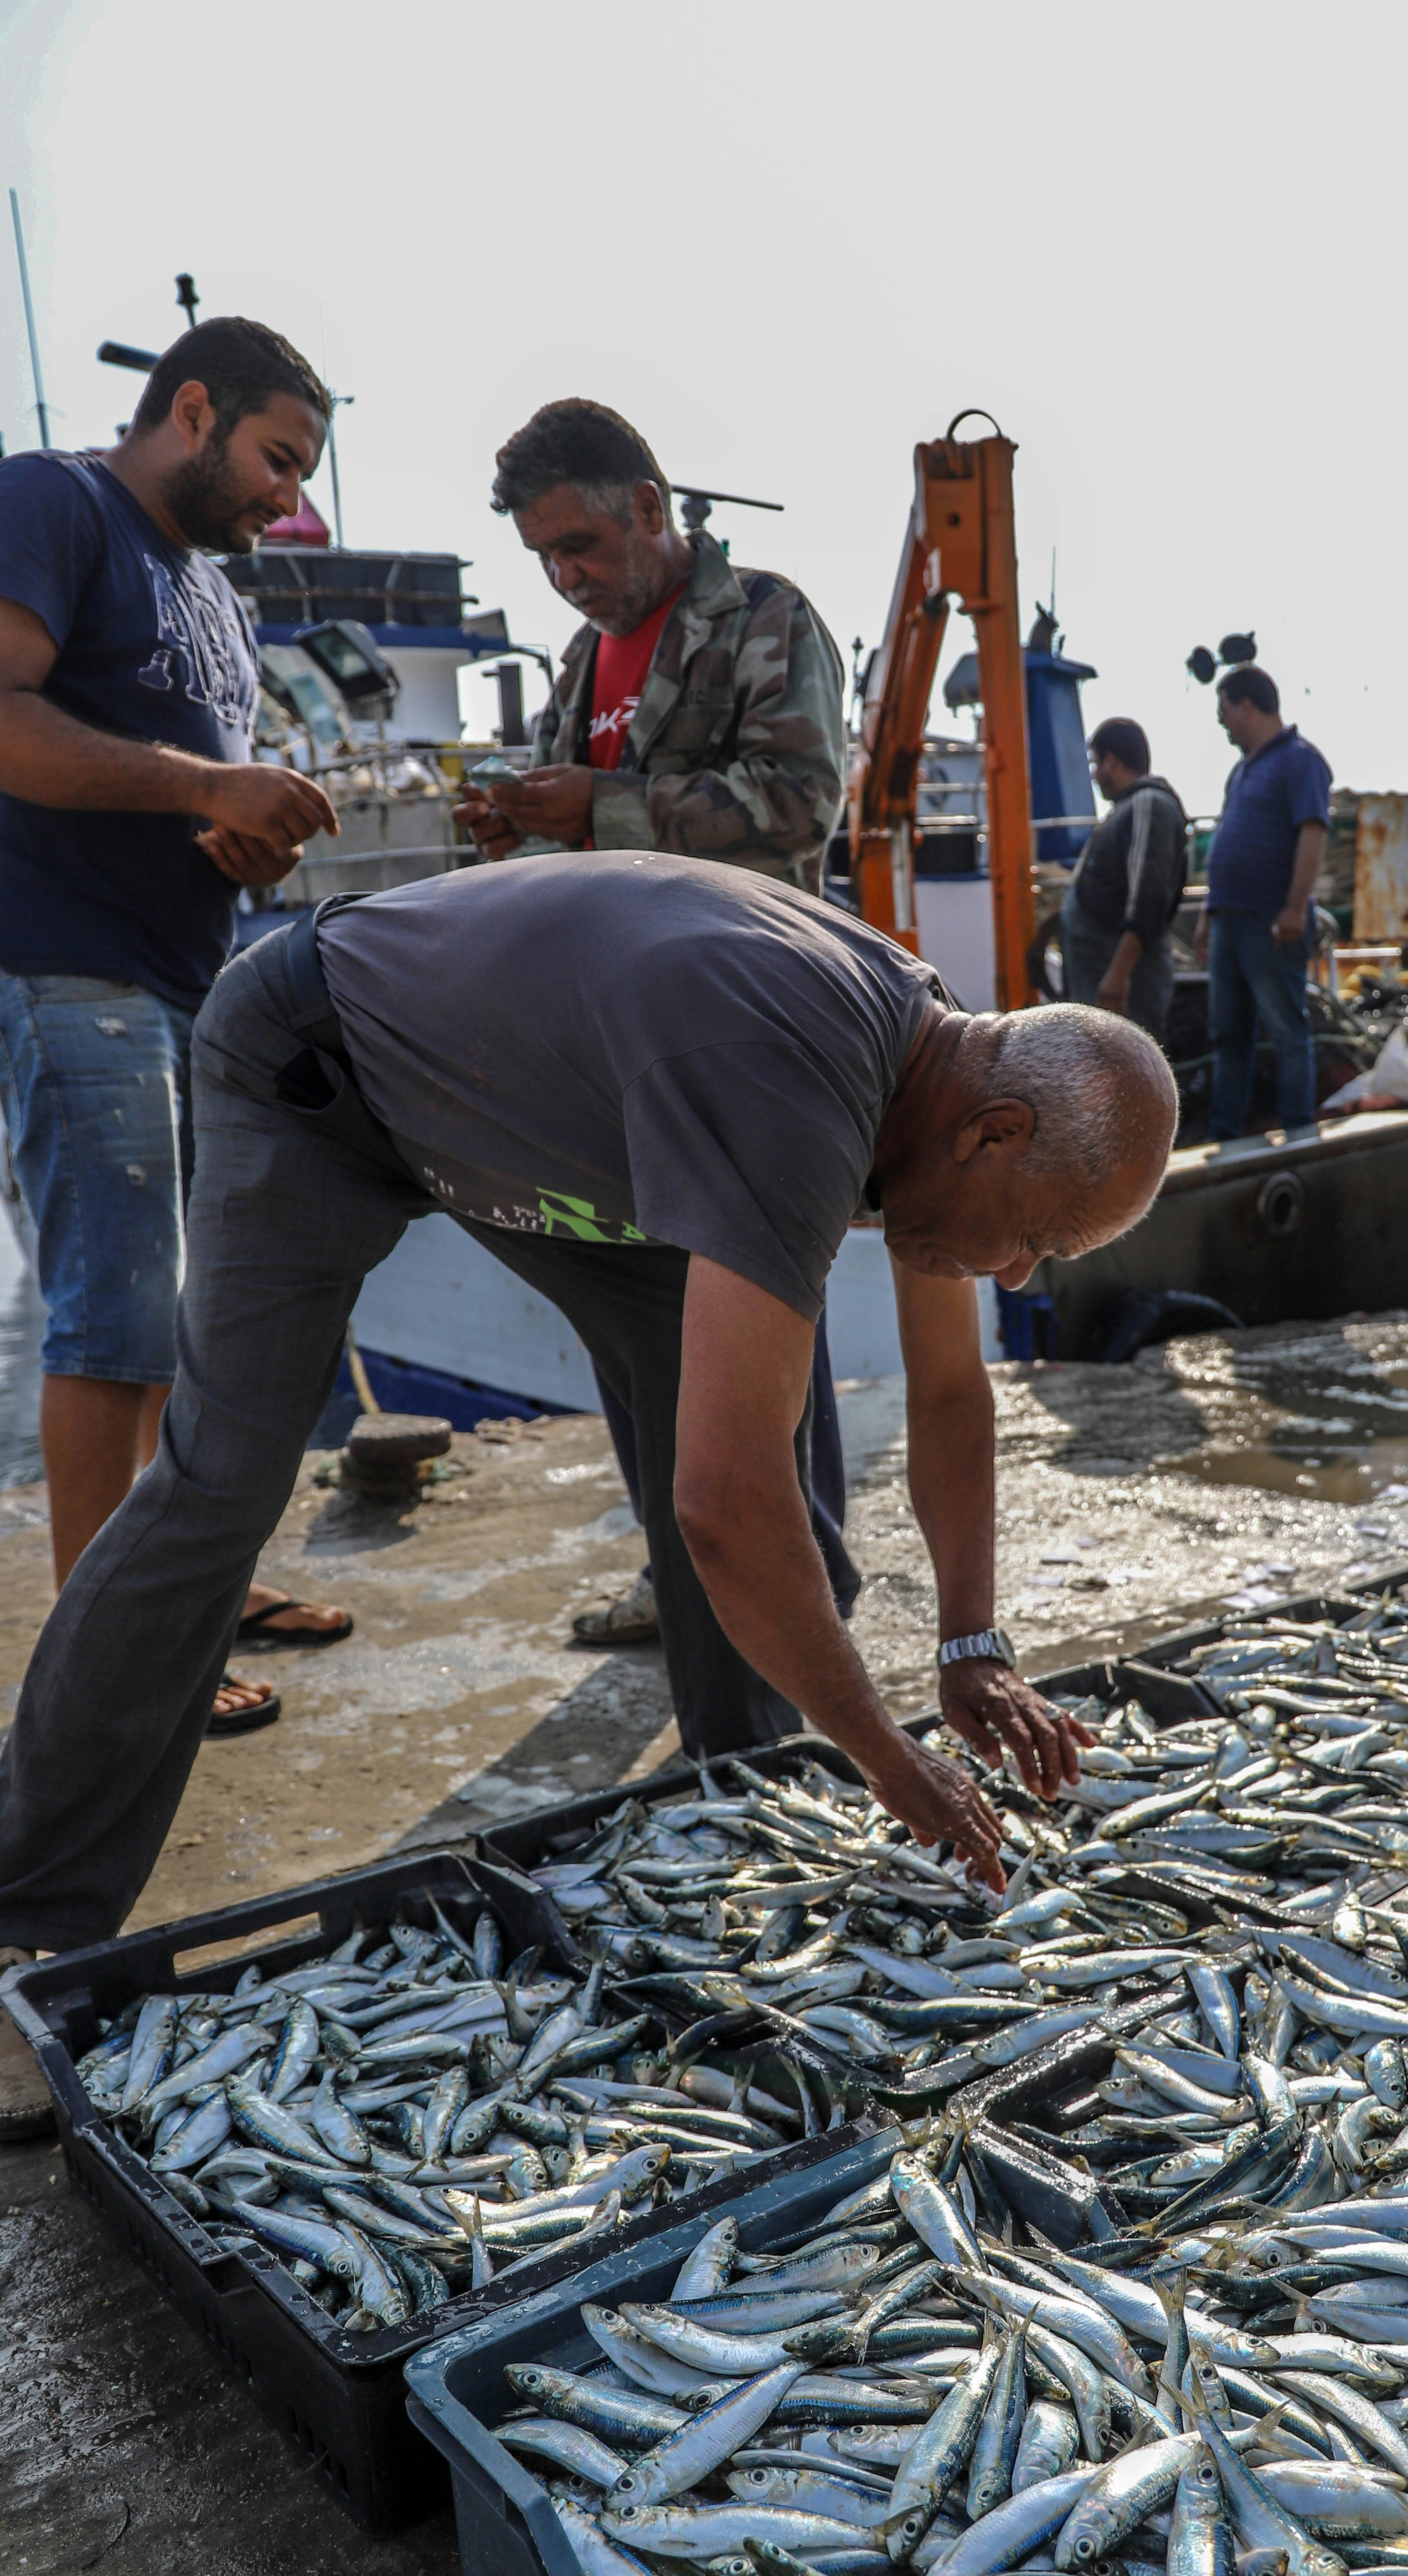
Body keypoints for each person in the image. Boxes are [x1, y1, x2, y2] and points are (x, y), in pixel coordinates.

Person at [0, 852, 1178, 2136]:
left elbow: (950, 1396)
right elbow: (720, 1508)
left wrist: (969, 1642)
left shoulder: (929, 1077)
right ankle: (22, 1919)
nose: (1012, 1275)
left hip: (548, 1124)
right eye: (1036, 1241)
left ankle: (741, 1802)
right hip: (318, 1060)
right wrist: (886, 1754)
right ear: (993, 1132)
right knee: (220, 1483)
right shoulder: (797, 1077)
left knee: (758, 1447)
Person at [0, 318, 356, 1758]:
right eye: (277, 460)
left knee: (204, 1317)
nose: (286, 499)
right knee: (116, 1319)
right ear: (191, 409)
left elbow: (177, 790)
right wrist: (211, 776)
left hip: (189, 975)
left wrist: (233, 834)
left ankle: (181, 1584)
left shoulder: (217, 593)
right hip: (65, 967)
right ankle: (115, 1656)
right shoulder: (51, 501)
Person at [452, 398, 852, 1651]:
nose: (566, 579)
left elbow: (798, 802)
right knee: (642, 1326)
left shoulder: (769, 620)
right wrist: (522, 821)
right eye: (543, 562)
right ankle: (679, 1577)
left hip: (743, 1024)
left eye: (578, 546)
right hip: (612, 1042)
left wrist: (600, 803)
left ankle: (810, 1590)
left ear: (647, 507)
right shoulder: (583, 663)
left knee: (763, 1321)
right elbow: (583, 815)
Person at [1204, 664, 1332, 1140]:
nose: (1222, 722)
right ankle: (1226, 1134)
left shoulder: (1301, 760)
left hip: (1269, 922)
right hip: (1229, 923)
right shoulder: (1241, 770)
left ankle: (1299, 1132)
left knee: (1286, 1032)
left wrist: (1294, 907)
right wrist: (1208, 918)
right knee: (1227, 1035)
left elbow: (1312, 831)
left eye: (1224, 711)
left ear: (1247, 706)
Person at [1057, 717, 1187, 1040]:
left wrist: (1118, 975)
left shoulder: (1148, 805)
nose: (1093, 774)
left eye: (1095, 763)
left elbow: (1148, 896)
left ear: (1111, 761)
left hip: (1123, 988)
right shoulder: (1128, 808)